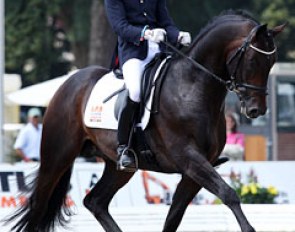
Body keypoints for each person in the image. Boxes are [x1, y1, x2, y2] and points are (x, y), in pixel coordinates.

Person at [105, 0, 191, 171]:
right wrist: (146, 33)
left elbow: (166, 23)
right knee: (135, 91)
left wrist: (178, 34)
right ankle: (124, 147)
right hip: (133, 52)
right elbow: (120, 26)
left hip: (160, 51)